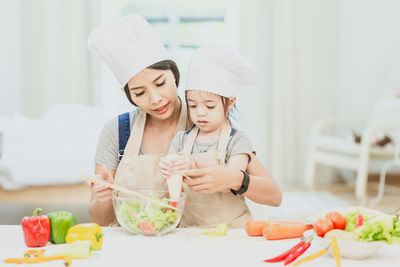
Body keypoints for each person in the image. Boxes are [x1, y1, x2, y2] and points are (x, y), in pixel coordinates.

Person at [87, 15, 282, 226]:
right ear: (127, 94)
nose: (155, 99)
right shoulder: (117, 132)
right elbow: (100, 219)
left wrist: (235, 179)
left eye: (160, 83)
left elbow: (274, 196)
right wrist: (102, 196)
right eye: (140, 92)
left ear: (174, 74)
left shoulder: (207, 121)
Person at [160, 45, 269, 227]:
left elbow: (230, 179)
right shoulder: (181, 139)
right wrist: (171, 171)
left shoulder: (238, 140)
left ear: (230, 103)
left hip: (232, 231)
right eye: (193, 106)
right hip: (190, 230)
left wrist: (190, 166)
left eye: (210, 106)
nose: (200, 113)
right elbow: (174, 190)